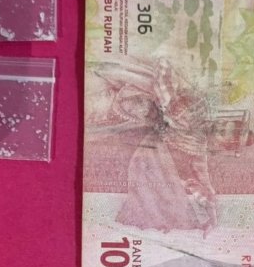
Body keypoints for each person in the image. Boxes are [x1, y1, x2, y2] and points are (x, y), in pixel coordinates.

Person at [90, 57, 220, 235]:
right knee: (144, 179)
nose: (176, 118)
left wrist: (211, 211)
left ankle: (159, 219)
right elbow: (162, 68)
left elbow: (202, 175)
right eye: (176, 113)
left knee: (163, 188)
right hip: (151, 155)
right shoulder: (166, 102)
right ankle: (149, 217)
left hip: (164, 165)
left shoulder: (196, 142)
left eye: (183, 119)